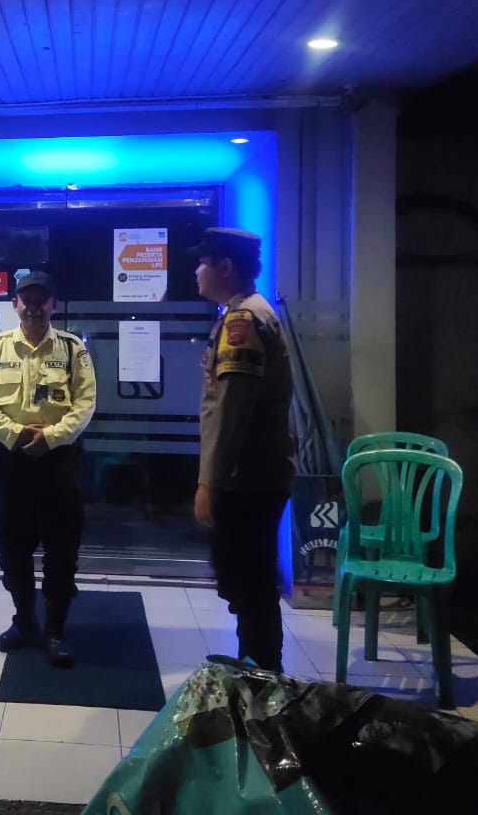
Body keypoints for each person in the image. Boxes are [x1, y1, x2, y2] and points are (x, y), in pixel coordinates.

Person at [0, 271, 97, 668]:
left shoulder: (72, 349)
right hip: (12, 461)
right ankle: (24, 620)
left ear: (53, 305)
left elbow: (86, 403)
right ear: (15, 304)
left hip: (59, 462)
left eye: (41, 300)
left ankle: (55, 629)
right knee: (13, 548)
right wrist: (15, 434)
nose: (33, 307)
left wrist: (52, 436)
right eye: (26, 300)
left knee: (62, 550)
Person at [190, 227, 295, 672]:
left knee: (251, 588)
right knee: (249, 587)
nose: (196, 272)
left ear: (225, 267)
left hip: (246, 480)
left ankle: (261, 679)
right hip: (254, 476)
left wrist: (208, 483)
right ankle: (255, 672)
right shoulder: (243, 313)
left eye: (202, 263)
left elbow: (231, 410)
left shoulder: (243, 322)